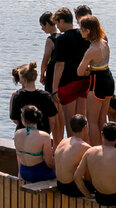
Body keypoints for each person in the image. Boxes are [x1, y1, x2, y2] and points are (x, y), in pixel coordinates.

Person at [75, 122, 116, 208]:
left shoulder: (90, 152)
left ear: (102, 134)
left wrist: (88, 195)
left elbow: (77, 177)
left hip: (100, 197)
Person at [50, 7, 90, 136]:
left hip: (68, 83)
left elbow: (59, 65)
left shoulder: (62, 39)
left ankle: (72, 153)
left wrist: (54, 88)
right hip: (84, 80)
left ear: (62, 21)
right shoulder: (84, 35)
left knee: (70, 123)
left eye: (57, 23)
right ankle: (84, 151)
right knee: (82, 122)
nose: (58, 27)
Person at [75, 16, 112, 146]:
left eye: (81, 28)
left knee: (91, 121)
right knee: (102, 118)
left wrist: (87, 70)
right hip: (108, 79)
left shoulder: (91, 50)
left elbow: (80, 71)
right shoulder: (104, 42)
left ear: (88, 30)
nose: (80, 31)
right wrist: (92, 68)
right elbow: (101, 64)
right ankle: (106, 147)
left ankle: (95, 149)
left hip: (97, 83)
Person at [9, 62, 62, 145]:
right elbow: (52, 121)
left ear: (23, 79)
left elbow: (14, 118)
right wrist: (47, 132)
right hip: (42, 135)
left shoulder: (18, 96)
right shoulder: (46, 96)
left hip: (23, 136)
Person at [14, 106, 57, 184]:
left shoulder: (17, 134)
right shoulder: (44, 136)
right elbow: (50, 163)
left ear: (23, 119)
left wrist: (19, 173)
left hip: (23, 172)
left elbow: (19, 156)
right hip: (39, 174)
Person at [55, 114, 94, 198]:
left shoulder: (63, 141)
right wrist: (89, 195)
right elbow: (88, 177)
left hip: (59, 184)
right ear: (85, 127)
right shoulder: (85, 147)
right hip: (71, 188)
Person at [39, 11, 59, 93]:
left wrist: (42, 75)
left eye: (42, 25)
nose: (42, 28)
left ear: (47, 24)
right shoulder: (64, 36)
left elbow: (46, 59)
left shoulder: (50, 40)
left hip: (52, 73)